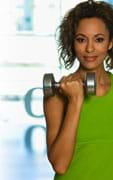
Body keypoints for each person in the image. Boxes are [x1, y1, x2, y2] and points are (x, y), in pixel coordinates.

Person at [44, 1, 113, 179]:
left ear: (110, 42)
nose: (89, 48)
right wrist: (75, 101)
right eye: (81, 39)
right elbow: (59, 165)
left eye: (99, 39)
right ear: (72, 43)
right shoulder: (57, 96)